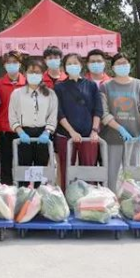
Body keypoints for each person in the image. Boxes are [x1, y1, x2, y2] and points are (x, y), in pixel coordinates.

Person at [100, 53, 140, 192]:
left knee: (132, 177)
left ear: (130, 65)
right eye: (118, 64)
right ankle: (111, 199)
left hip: (134, 138)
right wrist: (120, 129)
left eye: (125, 63)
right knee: (110, 176)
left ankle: (130, 200)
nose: (122, 66)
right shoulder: (106, 86)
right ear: (112, 67)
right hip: (112, 138)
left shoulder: (139, 85)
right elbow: (104, 113)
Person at [54, 53, 103, 190]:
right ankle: (65, 197)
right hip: (66, 135)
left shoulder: (91, 85)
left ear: (81, 65)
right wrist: (71, 131)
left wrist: (94, 130)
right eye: (69, 64)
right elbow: (59, 112)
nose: (73, 66)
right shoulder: (59, 87)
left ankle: (90, 198)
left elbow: (98, 110)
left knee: (89, 170)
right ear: (64, 67)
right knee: (65, 170)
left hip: (88, 135)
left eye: (75, 63)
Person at [9, 58, 58, 187]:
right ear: (25, 73)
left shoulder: (51, 94)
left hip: (43, 135)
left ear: (43, 74)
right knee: (24, 170)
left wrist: (47, 132)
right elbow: (12, 115)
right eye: (31, 72)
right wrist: (20, 132)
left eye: (37, 72)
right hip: (24, 134)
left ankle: (39, 194)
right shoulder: (17, 93)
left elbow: (53, 115)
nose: (34, 75)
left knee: (40, 171)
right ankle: (23, 194)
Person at [0, 51, 27, 185]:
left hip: (24, 130)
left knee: (24, 163)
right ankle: (6, 191)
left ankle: (24, 190)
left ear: (20, 64)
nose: (11, 65)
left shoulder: (28, 83)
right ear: (4, 65)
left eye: (15, 62)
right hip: (4, 130)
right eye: (8, 62)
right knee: (5, 164)